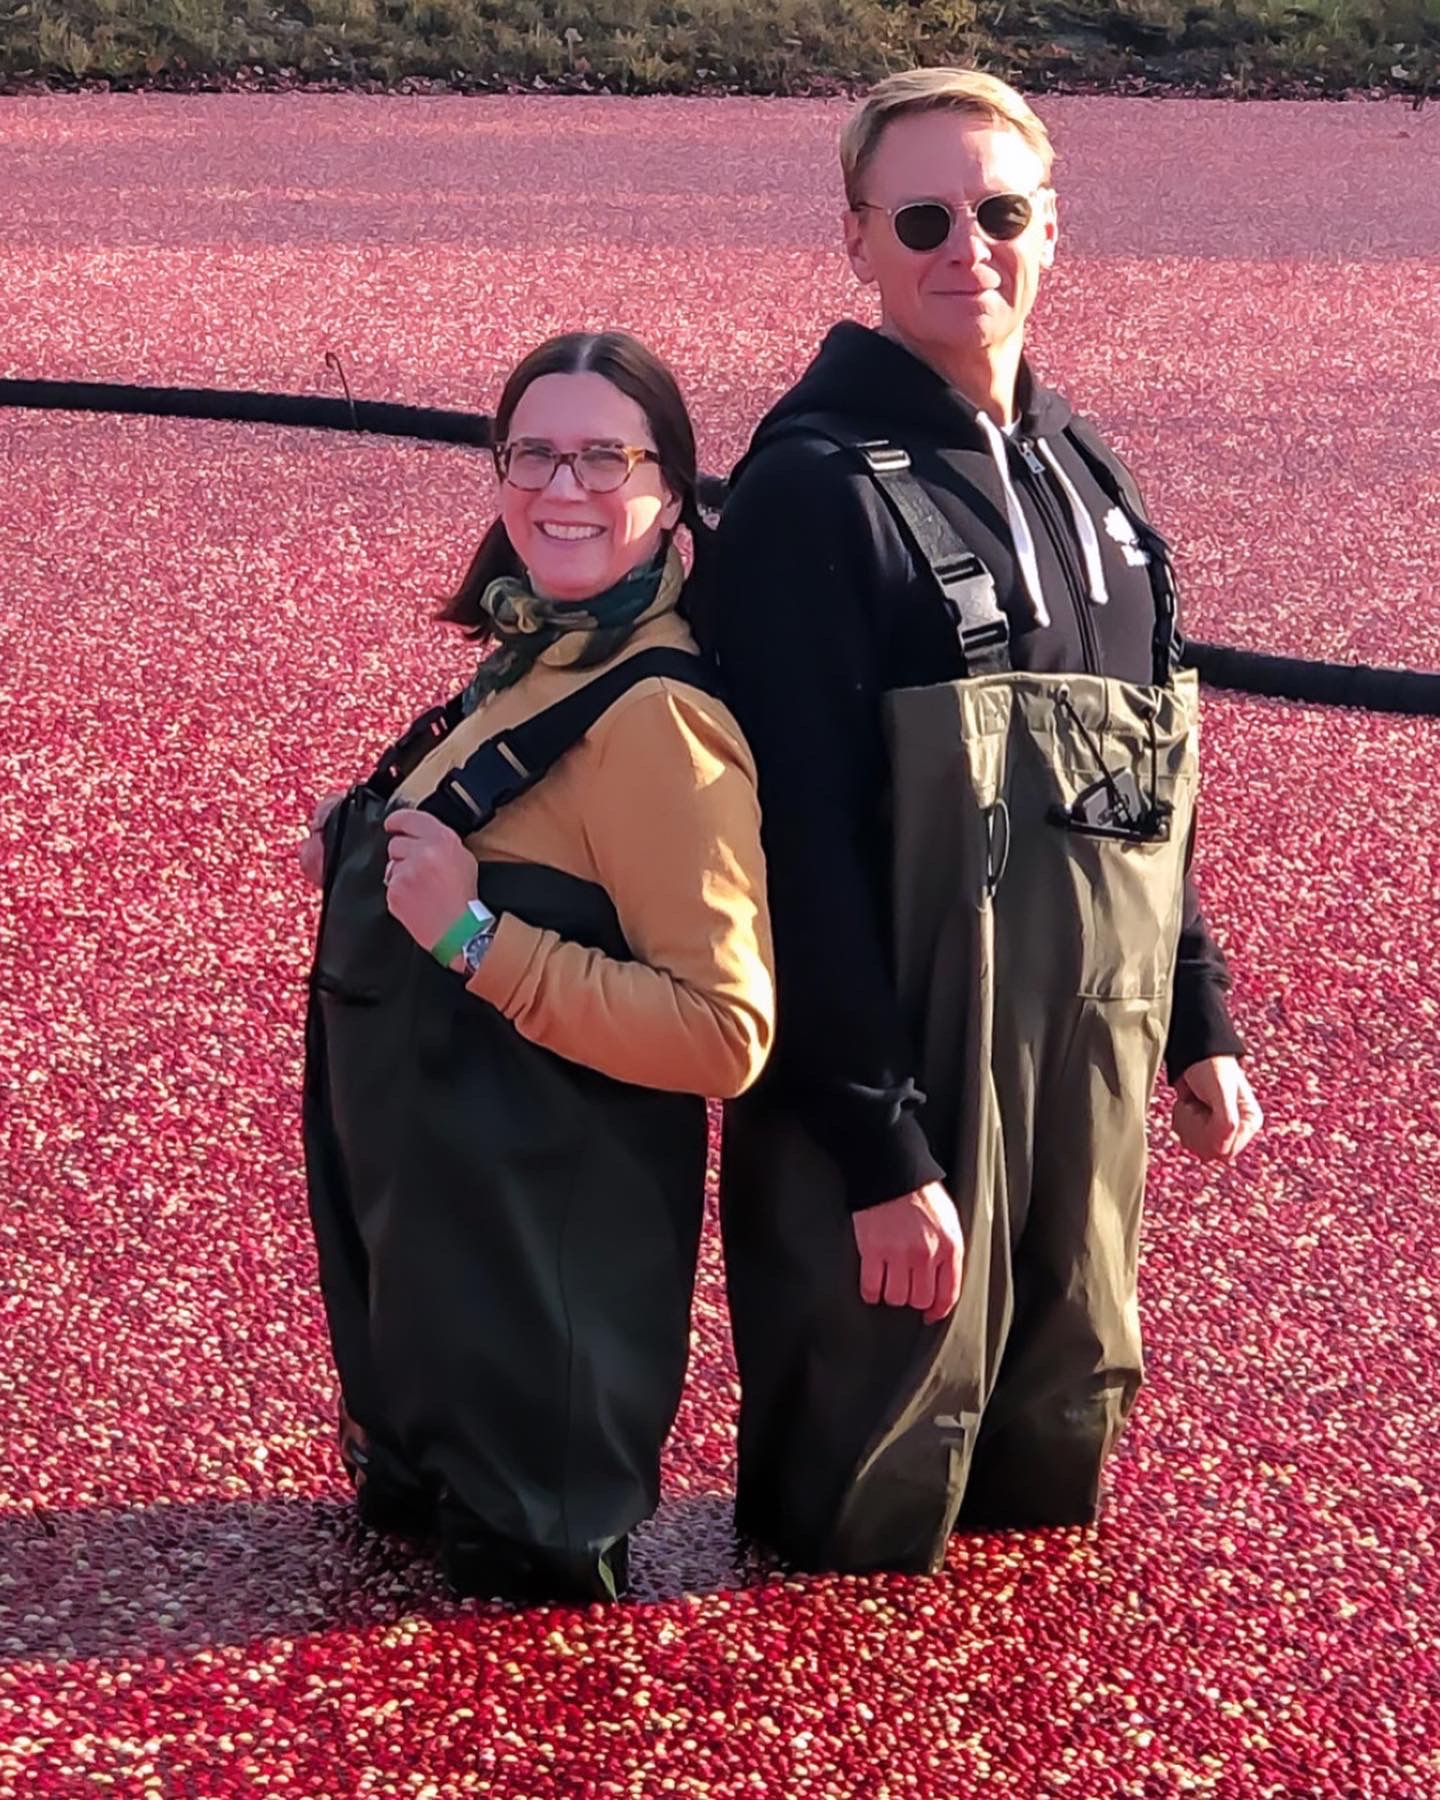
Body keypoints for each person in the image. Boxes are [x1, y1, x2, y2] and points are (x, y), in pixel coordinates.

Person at [714, 68, 1263, 1575]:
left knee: (1051, 1463)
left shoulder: (1101, 486)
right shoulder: (809, 496)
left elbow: (1151, 792)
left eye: (1002, 211)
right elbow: (790, 852)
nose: (969, 246)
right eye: (924, 216)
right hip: (892, 1089)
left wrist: (1196, 1022)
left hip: (1084, 1076)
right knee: (865, 1510)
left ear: (1053, 230)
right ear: (856, 242)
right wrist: (879, 1152)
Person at [298, 331, 774, 1603]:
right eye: (535, 454)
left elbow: (724, 1031)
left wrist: (475, 941)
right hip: (440, 1350)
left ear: (671, 489)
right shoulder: (536, 655)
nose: (563, 490)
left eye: (605, 458)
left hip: (534, 1412)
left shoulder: (661, 722)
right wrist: (356, 845)